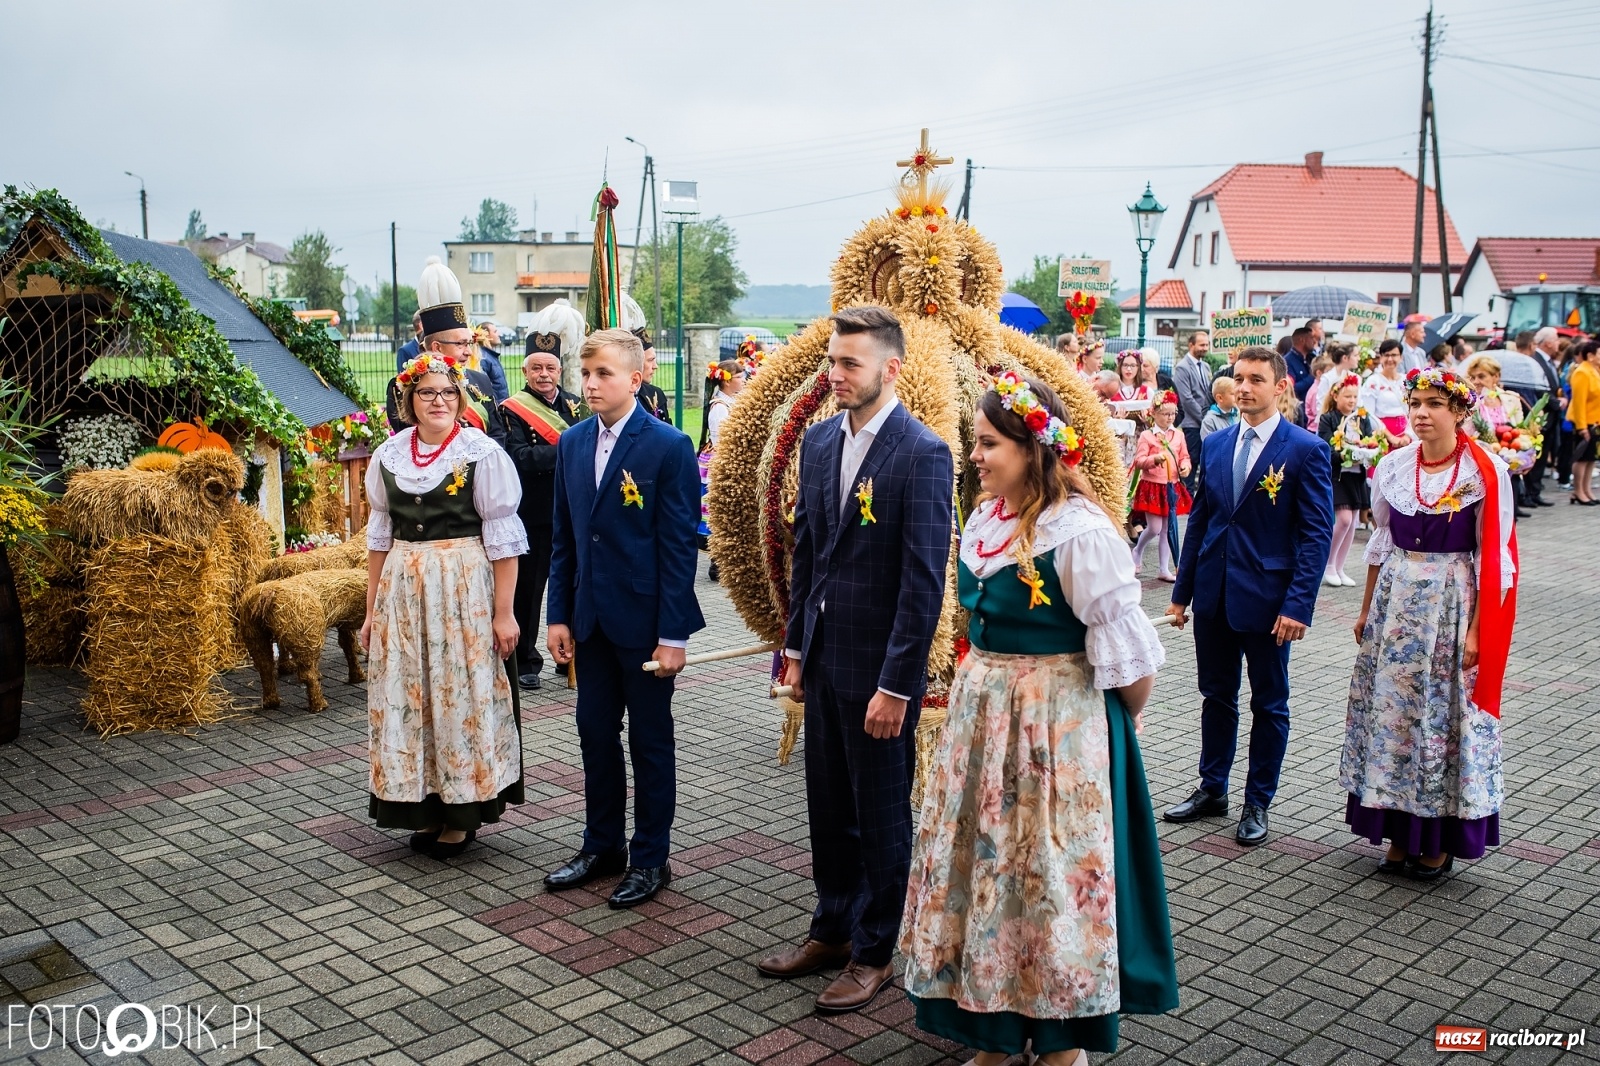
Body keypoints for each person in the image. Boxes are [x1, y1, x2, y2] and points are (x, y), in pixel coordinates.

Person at [900, 373, 1177, 1065]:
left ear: (1032, 447)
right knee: (990, 867)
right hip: (984, 719)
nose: (977, 456)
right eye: (975, 442)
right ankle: (994, 1027)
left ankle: (1058, 1043)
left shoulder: (1079, 534)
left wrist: (1113, 731)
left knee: (1050, 874)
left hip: (1057, 726)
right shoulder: (991, 519)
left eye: (989, 443)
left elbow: (1131, 660)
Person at [760, 307, 952, 1014]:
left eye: (850, 364)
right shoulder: (816, 443)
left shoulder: (922, 452)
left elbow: (922, 581)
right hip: (825, 660)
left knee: (880, 818)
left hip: (880, 676)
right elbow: (809, 551)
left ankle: (875, 950)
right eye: (832, 363)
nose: (835, 376)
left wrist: (897, 687)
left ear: (890, 369)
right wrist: (795, 650)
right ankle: (832, 929)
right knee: (828, 809)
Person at [543, 328, 705, 908]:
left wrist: (672, 635)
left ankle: (651, 856)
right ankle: (601, 844)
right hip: (590, 622)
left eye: (603, 374)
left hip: (644, 628)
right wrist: (557, 614)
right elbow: (564, 537)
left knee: (650, 742)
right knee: (593, 735)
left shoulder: (667, 446)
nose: (589, 384)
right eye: (584, 374)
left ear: (635, 378)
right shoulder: (572, 443)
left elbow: (677, 547)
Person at [1343, 366, 1516, 880]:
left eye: (1434, 405)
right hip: (1396, 601)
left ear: (1461, 412)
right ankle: (1398, 831)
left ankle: (1436, 837)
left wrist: (1478, 631)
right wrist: (1366, 607)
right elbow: (1380, 543)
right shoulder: (1394, 466)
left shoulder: (1485, 472)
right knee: (1394, 714)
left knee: (1441, 717)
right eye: (1416, 403)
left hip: (1451, 599)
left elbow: (1494, 560)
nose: (1421, 413)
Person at [361, 340, 527, 861]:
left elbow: (504, 543)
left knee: (459, 691)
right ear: (408, 400)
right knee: (410, 695)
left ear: (461, 398)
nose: (438, 401)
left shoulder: (481, 453)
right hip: (404, 589)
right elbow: (378, 540)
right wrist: (370, 612)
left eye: (447, 392)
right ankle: (424, 804)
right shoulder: (388, 456)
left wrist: (504, 614)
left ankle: (462, 810)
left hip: (462, 588)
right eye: (426, 393)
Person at [1164, 346, 1335, 846]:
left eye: (1256, 379)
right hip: (1215, 597)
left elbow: (1314, 535)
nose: (1244, 387)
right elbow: (1200, 523)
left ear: (1280, 387)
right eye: (1238, 378)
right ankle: (1212, 786)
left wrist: (1298, 605)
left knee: (1269, 703)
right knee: (1216, 696)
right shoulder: (1215, 445)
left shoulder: (1305, 449)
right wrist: (1181, 594)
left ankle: (1257, 800)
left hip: (1268, 602)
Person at [500, 345, 583, 689]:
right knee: (529, 591)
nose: (544, 374)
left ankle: (571, 658)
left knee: (574, 587)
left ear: (560, 371)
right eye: (537, 368)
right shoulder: (512, 409)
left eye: (550, 367)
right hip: (534, 512)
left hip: (572, 508)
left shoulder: (575, 404)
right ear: (525, 373)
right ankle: (525, 661)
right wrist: (566, 446)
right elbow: (521, 456)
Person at [1316, 375, 1378, 586]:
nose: (1352, 401)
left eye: (1354, 396)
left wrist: (1367, 448)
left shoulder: (1361, 418)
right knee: (1342, 520)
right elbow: (1325, 447)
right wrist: (1342, 453)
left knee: (1352, 523)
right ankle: (1329, 564)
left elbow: (1370, 440)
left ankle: (1340, 568)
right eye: (1347, 396)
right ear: (1336, 396)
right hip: (1337, 475)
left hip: (1356, 475)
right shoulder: (1329, 418)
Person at [1129, 391, 1191, 582]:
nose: (1170, 418)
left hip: (1171, 487)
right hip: (1152, 487)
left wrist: (1185, 467)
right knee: (1154, 528)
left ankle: (1164, 568)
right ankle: (1138, 550)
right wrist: (1153, 460)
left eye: (1173, 414)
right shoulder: (1147, 436)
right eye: (1165, 414)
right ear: (1154, 414)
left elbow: (1185, 456)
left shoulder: (1178, 435)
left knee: (1167, 529)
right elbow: (1138, 461)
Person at [697, 356, 748, 580]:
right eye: (739, 377)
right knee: (721, 514)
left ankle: (722, 562)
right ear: (726, 381)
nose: (744, 380)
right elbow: (721, 441)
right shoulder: (719, 408)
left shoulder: (731, 402)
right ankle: (717, 564)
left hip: (729, 460)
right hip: (721, 463)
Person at [1463, 353, 1530, 516]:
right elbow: (1465, 432)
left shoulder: (1511, 398)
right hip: (1482, 462)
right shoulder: (1469, 401)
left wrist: (1525, 456)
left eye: (1481, 376)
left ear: (1496, 377)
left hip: (1509, 459)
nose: (1477, 381)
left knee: (1509, 514)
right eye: (1473, 377)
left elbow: (1522, 429)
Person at [1526, 327, 1567, 507]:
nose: (1558, 343)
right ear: (1548, 342)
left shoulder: (1549, 361)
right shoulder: (1536, 360)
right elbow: (1539, 387)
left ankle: (1535, 492)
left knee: (1543, 456)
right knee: (1536, 456)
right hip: (1541, 416)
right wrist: (1556, 403)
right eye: (1557, 339)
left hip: (1551, 418)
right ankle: (1529, 493)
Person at [1173, 331, 1212, 491]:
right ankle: (1187, 498)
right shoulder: (1182, 367)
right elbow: (1186, 398)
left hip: (1205, 421)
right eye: (1202, 345)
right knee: (1192, 461)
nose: (1205, 348)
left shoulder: (1205, 366)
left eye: (1207, 345)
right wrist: (1204, 418)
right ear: (1191, 345)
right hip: (1192, 423)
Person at [1565, 339, 1600, 506]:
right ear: (1590, 355)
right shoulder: (1582, 372)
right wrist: (1581, 427)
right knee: (1582, 458)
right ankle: (1578, 491)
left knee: (1591, 458)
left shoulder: (1594, 371)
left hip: (1595, 422)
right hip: (1584, 422)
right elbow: (1579, 402)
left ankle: (1587, 490)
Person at [1360, 340, 1413, 448]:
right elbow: (1369, 414)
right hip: (1382, 435)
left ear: (1401, 357)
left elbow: (1414, 409)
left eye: (1394, 355)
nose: (1390, 359)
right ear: (1381, 357)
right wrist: (1390, 437)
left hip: (1406, 433)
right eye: (1386, 355)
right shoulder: (1373, 382)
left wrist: (1408, 435)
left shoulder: (1406, 381)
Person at [1308, 342, 1358, 423]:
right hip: (1330, 422)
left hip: (1350, 422)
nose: (1358, 358)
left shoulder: (1356, 377)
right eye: (1355, 355)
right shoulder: (1327, 378)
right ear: (1345, 358)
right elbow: (1321, 406)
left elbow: (1358, 403)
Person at [471, 321, 512, 404]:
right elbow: (483, 388)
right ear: (486, 335)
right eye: (495, 332)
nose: (499, 334)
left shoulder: (489, 356)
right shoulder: (483, 358)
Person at [1200, 375, 1238, 440]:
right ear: (1220, 398)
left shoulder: (1239, 415)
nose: (1237, 396)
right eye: (1232, 394)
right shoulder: (1209, 421)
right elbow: (1210, 445)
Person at [1284, 327, 1316, 400]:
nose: (1314, 341)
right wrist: (1312, 377)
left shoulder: (1312, 358)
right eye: (1311, 338)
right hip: (1298, 407)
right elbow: (1291, 388)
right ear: (1302, 340)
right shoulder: (1287, 361)